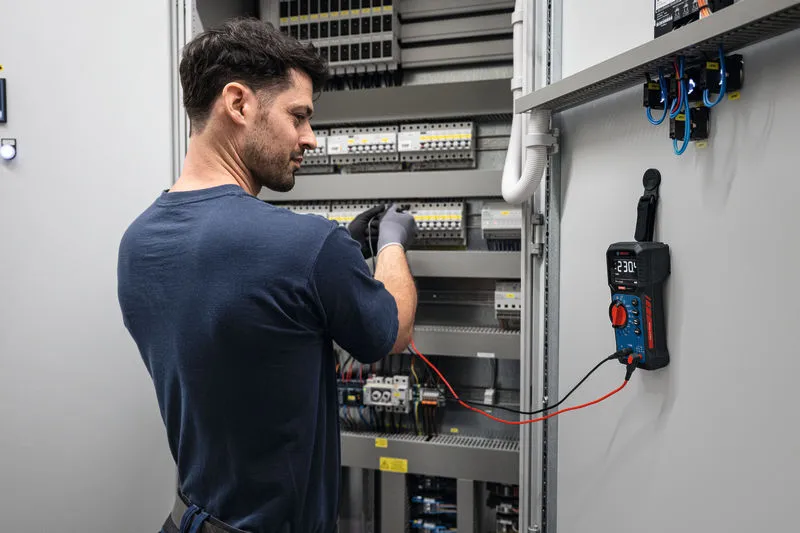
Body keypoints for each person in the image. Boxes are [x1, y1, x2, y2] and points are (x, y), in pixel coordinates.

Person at [116, 18, 417, 533]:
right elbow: (392, 331)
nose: (311, 138)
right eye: (298, 116)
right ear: (238, 104)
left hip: (187, 519)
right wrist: (392, 244)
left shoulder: (137, 241)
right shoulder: (305, 245)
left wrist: (338, 253)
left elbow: (246, 316)